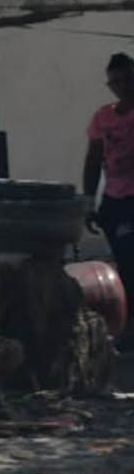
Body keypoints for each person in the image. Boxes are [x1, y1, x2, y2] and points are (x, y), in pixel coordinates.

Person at [85, 53, 134, 304]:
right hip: (114, 199)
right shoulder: (103, 117)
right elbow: (93, 160)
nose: (123, 86)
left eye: (129, 79)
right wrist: (87, 202)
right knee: (124, 261)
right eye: (116, 82)